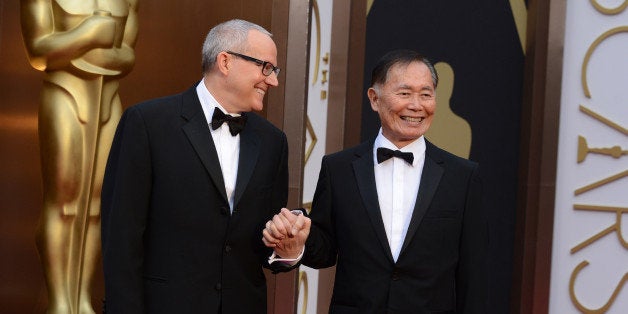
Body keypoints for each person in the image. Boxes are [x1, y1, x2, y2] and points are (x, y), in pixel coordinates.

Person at [101, 19, 304, 313]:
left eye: (274, 70)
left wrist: (287, 250)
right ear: (225, 61)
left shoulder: (273, 142)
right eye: (265, 67)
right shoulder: (147, 124)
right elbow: (121, 238)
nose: (272, 80)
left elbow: (263, 249)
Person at [264, 49, 488, 313]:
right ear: (374, 98)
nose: (417, 105)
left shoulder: (462, 176)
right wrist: (297, 242)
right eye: (404, 93)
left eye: (426, 94)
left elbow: (473, 274)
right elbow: (325, 250)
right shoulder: (339, 168)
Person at [20, 0, 139, 313]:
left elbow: (128, 54)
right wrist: (88, 34)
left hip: (109, 100)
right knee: (64, 202)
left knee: (97, 205)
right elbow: (39, 51)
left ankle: (82, 297)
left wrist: (83, 50)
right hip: (64, 94)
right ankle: (60, 300)